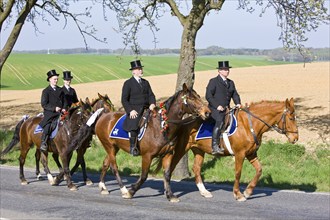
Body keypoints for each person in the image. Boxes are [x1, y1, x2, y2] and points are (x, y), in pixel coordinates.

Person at [205, 61, 241, 155]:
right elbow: (208, 96)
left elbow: (235, 94)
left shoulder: (230, 82)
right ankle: (215, 146)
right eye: (225, 70)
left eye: (227, 69)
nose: (227, 71)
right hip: (215, 109)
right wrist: (217, 106)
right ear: (219, 71)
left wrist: (238, 103)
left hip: (227, 109)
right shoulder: (213, 81)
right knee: (220, 122)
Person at [121, 60, 156, 156]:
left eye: (141, 68)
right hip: (134, 110)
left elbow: (151, 95)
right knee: (134, 124)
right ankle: (133, 147)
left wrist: (152, 103)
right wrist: (130, 111)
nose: (141, 70)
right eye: (139, 69)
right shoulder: (128, 83)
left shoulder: (146, 82)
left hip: (147, 109)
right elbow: (124, 99)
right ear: (134, 71)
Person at [39, 69, 68, 152]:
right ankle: (43, 142)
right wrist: (54, 108)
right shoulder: (46, 91)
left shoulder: (61, 90)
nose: (56, 80)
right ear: (50, 80)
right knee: (48, 125)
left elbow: (65, 101)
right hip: (50, 113)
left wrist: (64, 108)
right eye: (55, 79)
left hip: (61, 113)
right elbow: (44, 104)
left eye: (57, 79)